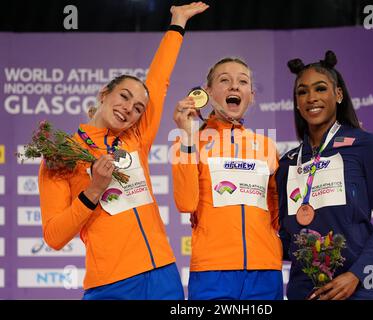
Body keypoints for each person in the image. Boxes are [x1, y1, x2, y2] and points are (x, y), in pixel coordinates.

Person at [38, 2, 209, 300]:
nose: (129, 108)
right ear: (104, 94)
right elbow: (53, 236)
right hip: (111, 283)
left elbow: (158, 80)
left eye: (138, 108)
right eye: (124, 96)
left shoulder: (136, 138)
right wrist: (93, 190)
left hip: (163, 274)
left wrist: (177, 23)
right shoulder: (62, 154)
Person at [276, 50, 373, 300]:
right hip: (305, 290)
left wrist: (356, 274)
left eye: (320, 88)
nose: (311, 97)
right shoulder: (287, 163)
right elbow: (285, 235)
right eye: (302, 92)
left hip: (359, 287)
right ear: (297, 103)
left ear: (339, 94)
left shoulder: (367, 146)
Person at [171, 57, 283, 300]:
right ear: (208, 92)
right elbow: (186, 203)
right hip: (213, 270)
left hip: (265, 270)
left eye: (242, 82)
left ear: (251, 95)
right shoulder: (190, 141)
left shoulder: (266, 146)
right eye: (224, 80)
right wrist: (187, 136)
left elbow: (277, 216)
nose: (234, 86)